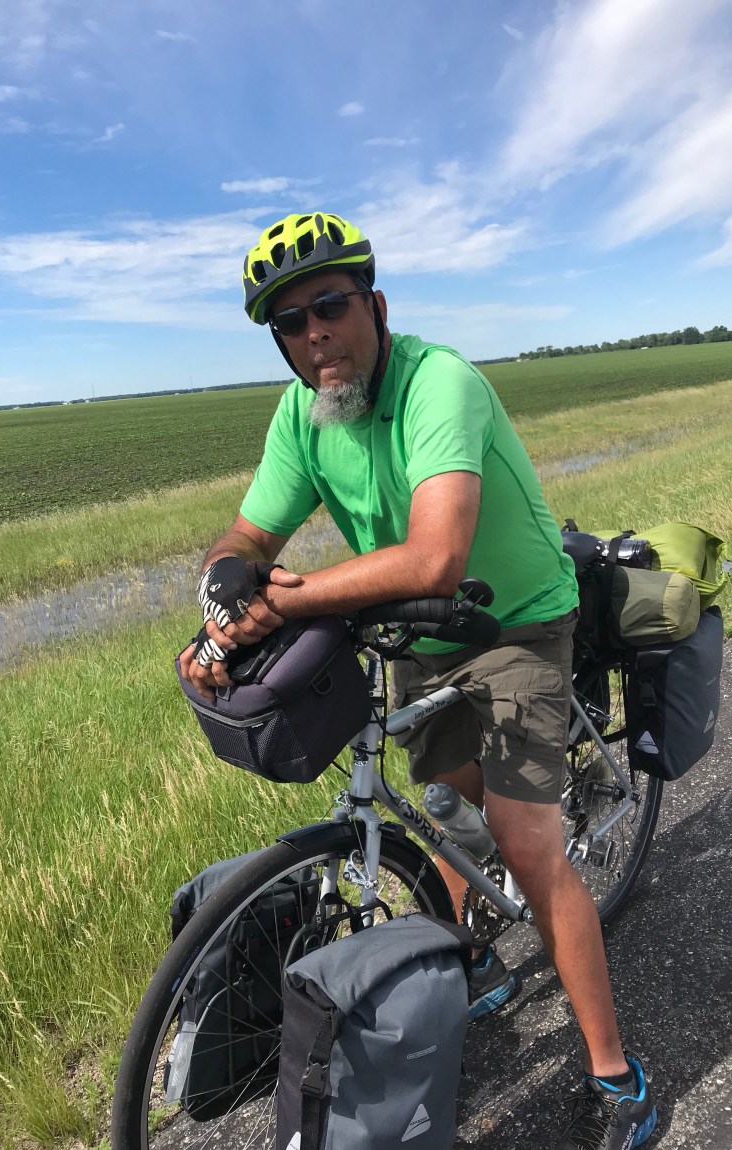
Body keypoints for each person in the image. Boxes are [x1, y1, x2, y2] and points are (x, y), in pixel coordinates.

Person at [179, 211, 657, 1149]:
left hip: (516, 621)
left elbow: (436, 557)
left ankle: (614, 1074)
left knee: (524, 842)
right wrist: (226, 589)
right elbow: (248, 535)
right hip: (417, 627)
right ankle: (474, 961)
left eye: (330, 305)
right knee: (442, 802)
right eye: (289, 322)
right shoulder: (303, 414)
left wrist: (286, 599)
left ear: (376, 306)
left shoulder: (440, 381)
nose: (314, 334)